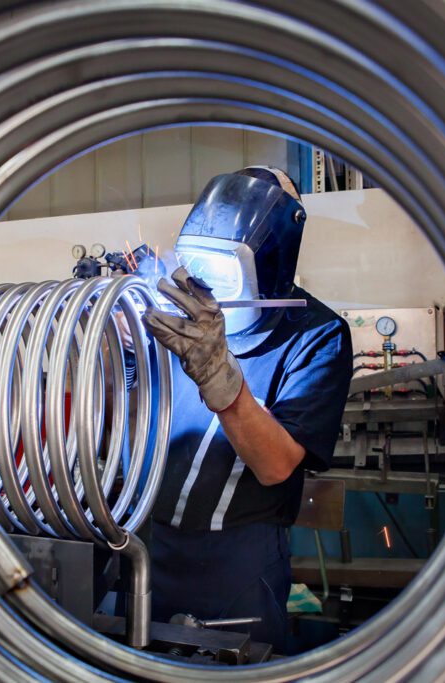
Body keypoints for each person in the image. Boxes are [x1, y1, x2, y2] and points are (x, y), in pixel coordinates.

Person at [141, 166, 352, 652]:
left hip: (238, 560)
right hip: (146, 543)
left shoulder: (317, 335)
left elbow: (277, 465)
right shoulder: (177, 317)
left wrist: (220, 375)